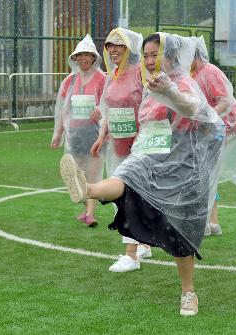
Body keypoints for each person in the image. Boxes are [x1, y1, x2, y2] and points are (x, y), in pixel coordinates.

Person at [59, 33, 225, 316]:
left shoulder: (183, 82)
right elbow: (142, 118)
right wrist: (109, 131)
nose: (149, 61)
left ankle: (188, 293)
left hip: (183, 169)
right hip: (150, 157)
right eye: (146, 55)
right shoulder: (149, 86)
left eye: (155, 55)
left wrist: (170, 90)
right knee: (127, 175)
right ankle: (87, 189)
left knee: (180, 235)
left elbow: (194, 109)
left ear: (171, 56)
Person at [89, 27, 151, 272]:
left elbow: (150, 107)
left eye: (119, 45)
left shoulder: (140, 74)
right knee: (125, 198)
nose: (113, 50)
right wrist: (101, 136)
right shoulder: (111, 75)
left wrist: (144, 139)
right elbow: (107, 109)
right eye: (109, 45)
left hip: (138, 147)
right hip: (117, 147)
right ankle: (142, 242)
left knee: (130, 197)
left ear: (130, 48)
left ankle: (131, 255)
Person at [190, 36, 236, 237]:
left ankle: (205, 224)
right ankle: (212, 222)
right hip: (211, 129)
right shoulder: (194, 73)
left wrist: (206, 119)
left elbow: (225, 102)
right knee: (205, 174)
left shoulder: (209, 71)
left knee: (204, 175)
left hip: (220, 129)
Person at [51, 34, 106, 227]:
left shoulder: (102, 79)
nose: (83, 58)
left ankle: (90, 213)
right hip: (74, 136)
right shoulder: (69, 81)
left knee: (93, 174)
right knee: (76, 174)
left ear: (94, 58)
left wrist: (101, 113)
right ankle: (86, 208)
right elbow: (62, 109)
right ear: (74, 58)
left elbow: (107, 103)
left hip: (94, 134)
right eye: (80, 55)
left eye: (87, 55)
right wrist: (58, 134)